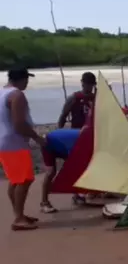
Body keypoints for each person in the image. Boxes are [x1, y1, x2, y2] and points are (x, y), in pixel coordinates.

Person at [0, 68, 46, 230]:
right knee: (25, 179)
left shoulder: (2, 93)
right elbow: (19, 123)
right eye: (26, 80)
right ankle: (18, 218)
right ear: (21, 79)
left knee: (15, 179)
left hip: (4, 141)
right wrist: (37, 138)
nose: (27, 83)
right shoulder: (16, 95)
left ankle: (19, 214)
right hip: (14, 142)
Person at [39, 128, 82, 213]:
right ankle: (44, 203)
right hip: (47, 144)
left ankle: (77, 196)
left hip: (60, 145)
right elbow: (72, 161)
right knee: (51, 172)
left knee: (77, 170)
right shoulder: (77, 140)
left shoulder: (84, 136)